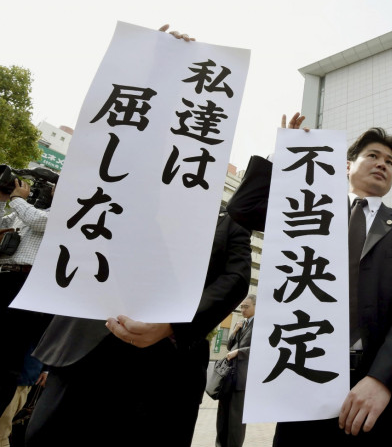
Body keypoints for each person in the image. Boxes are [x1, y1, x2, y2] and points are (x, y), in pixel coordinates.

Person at [227, 113, 392, 446]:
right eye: (373, 156)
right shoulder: (307, 213)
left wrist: (381, 379)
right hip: (306, 378)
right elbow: (243, 209)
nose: (383, 164)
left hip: (379, 392)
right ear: (347, 165)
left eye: (391, 162)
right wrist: (282, 157)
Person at [24, 209, 253, 447]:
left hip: (165, 370)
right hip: (82, 350)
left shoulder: (232, 221)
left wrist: (173, 324)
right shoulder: (120, 187)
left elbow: (236, 278)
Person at [0, 179, 53, 413]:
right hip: (4, 277)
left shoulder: (66, 214)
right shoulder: (24, 211)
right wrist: (3, 199)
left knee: (9, 357)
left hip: (27, 285)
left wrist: (16, 199)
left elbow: (39, 220)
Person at [216, 294, 256, 447]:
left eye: (246, 306)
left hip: (242, 379)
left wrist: (239, 352)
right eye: (241, 306)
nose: (243, 309)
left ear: (255, 307)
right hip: (227, 377)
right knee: (222, 417)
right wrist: (234, 331)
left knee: (236, 421)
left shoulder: (259, 326)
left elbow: (259, 349)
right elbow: (229, 346)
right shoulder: (241, 323)